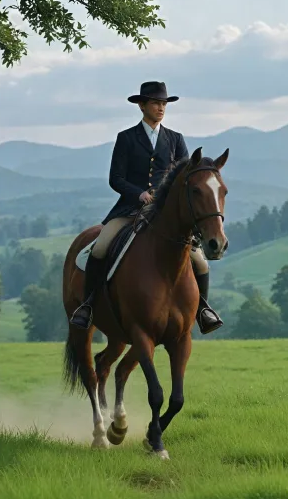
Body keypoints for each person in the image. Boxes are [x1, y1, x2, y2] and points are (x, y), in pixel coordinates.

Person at [69, 81, 224, 335]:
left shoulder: (175, 139)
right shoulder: (126, 138)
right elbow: (115, 179)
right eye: (156, 103)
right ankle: (87, 306)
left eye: (164, 104)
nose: (161, 108)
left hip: (164, 215)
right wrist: (139, 193)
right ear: (142, 106)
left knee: (202, 263)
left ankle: (203, 310)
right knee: (100, 247)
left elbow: (184, 178)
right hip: (129, 210)